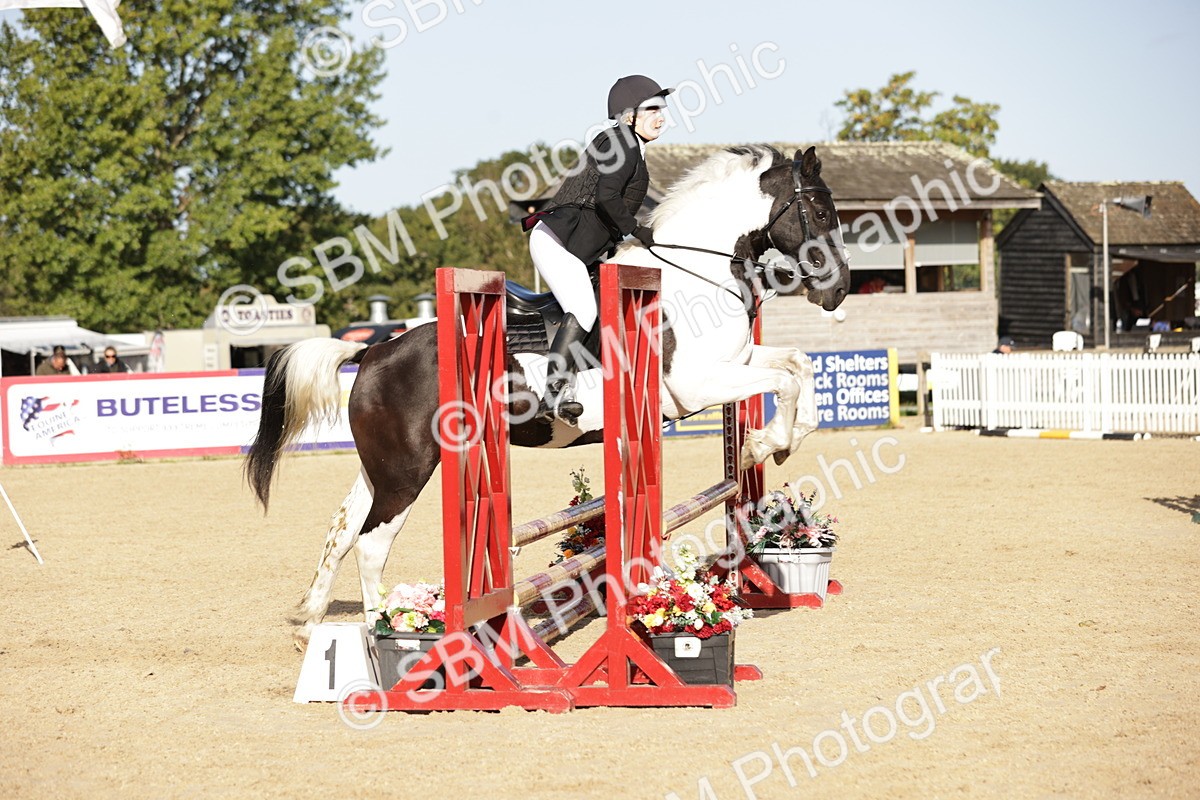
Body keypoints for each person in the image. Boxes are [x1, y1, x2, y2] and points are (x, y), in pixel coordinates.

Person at [524, 74, 672, 424]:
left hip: (578, 248)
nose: (661, 116)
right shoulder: (621, 142)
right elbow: (606, 199)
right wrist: (637, 231)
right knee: (583, 309)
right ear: (629, 115)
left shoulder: (630, 144)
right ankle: (554, 392)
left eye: (663, 108)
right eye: (652, 109)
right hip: (557, 243)